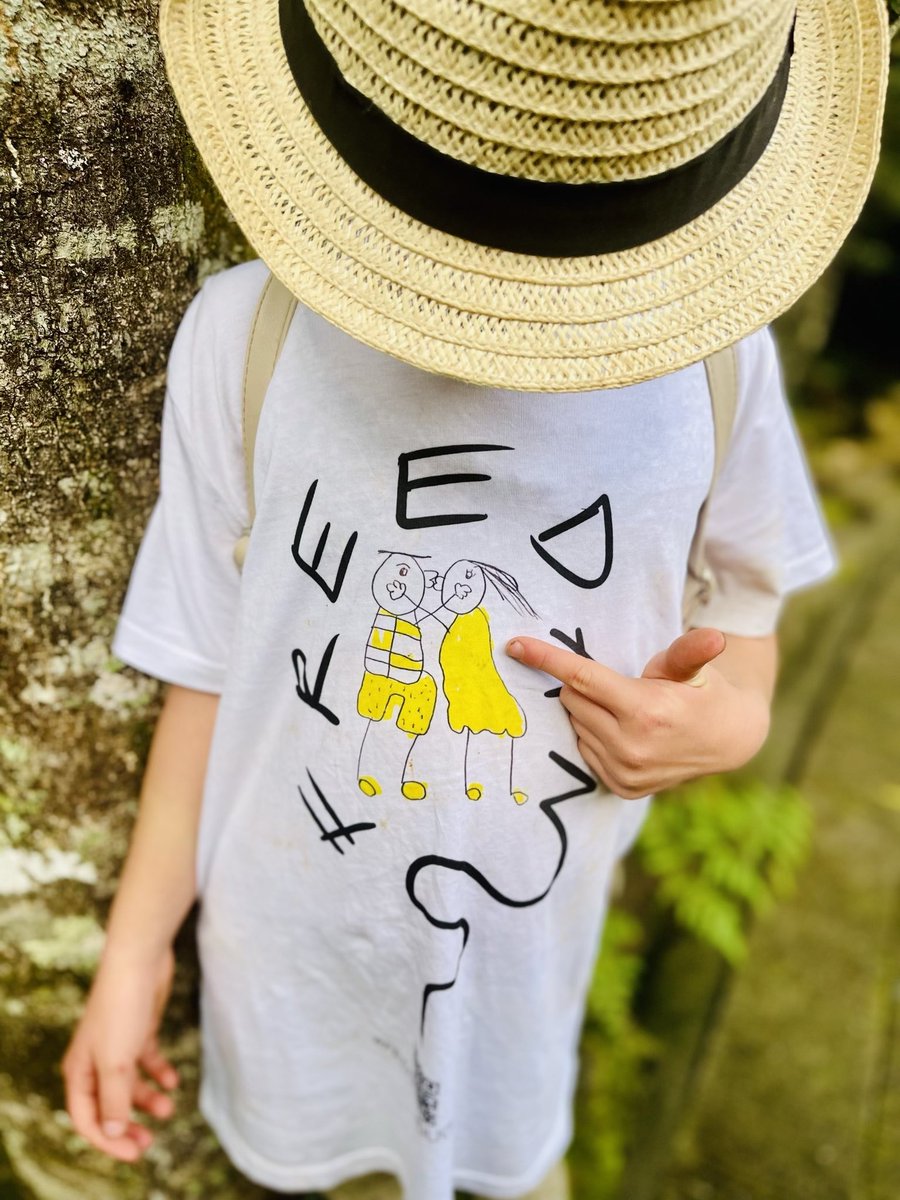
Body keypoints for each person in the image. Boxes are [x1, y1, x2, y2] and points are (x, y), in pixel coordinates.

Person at [60, 1, 891, 1198]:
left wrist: (732, 724)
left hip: (519, 1019)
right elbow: (206, 668)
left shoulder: (719, 366)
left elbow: (746, 633)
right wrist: (134, 956)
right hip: (293, 995)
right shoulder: (246, 341)